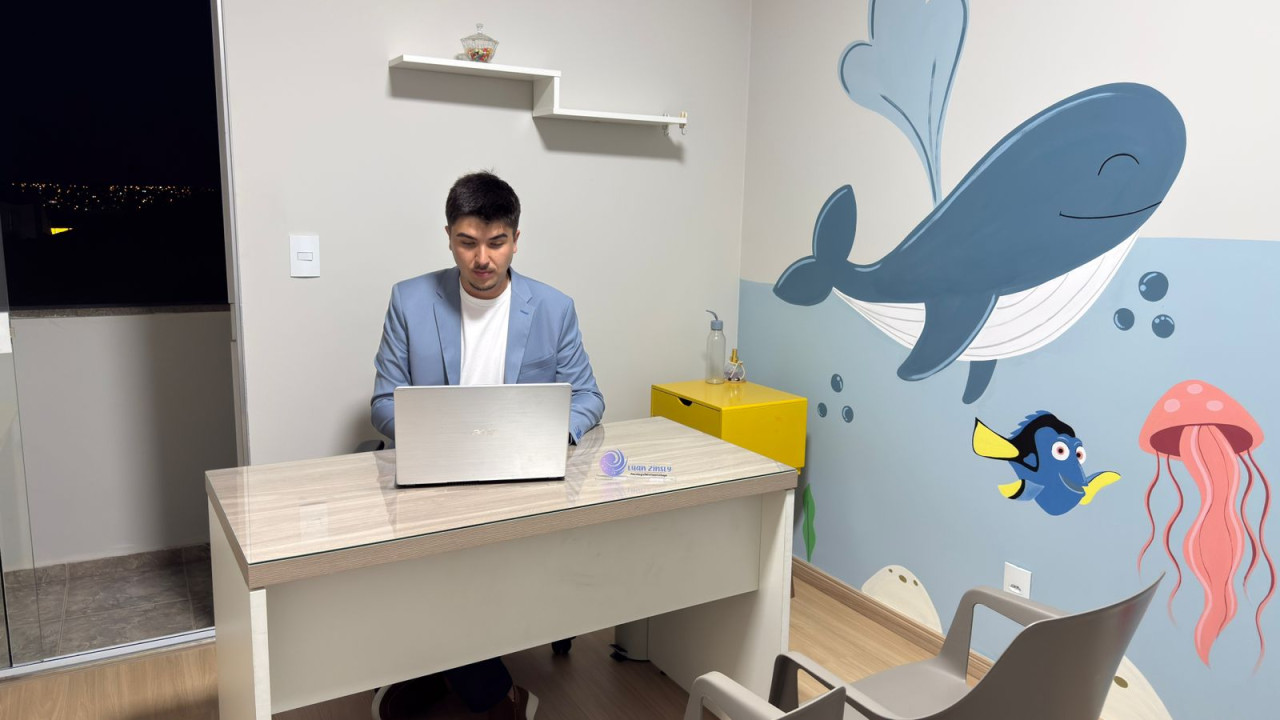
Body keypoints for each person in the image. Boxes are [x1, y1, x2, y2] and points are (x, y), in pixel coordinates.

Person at [369, 171, 604, 720]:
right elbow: (382, 402)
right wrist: (439, 438)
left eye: (496, 243)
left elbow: (589, 397)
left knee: (474, 565)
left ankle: (437, 673)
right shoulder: (409, 300)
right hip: (435, 475)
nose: (482, 259)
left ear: (516, 240)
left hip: (519, 475)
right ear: (448, 237)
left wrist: (549, 433)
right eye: (467, 242)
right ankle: (494, 694)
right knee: (439, 564)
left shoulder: (553, 308)